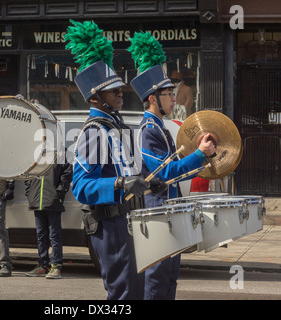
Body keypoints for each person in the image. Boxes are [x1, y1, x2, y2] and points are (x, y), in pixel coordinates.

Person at [64, 20, 166, 300]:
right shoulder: (94, 132)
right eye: (113, 91)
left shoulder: (115, 126)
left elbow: (128, 170)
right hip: (110, 225)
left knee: (136, 291)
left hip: (128, 221)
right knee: (125, 295)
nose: (121, 93)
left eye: (120, 89)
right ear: (95, 97)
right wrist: (120, 183)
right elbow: (82, 187)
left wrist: (147, 181)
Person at [128, 31, 216, 300]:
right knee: (157, 280)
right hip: (157, 211)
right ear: (153, 98)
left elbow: (178, 167)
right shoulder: (148, 128)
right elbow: (163, 174)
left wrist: (205, 156)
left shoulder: (161, 127)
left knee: (170, 278)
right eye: (168, 94)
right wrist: (199, 155)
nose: (174, 98)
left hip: (170, 209)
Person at [25, 163, 72, 279]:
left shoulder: (60, 151)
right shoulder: (36, 152)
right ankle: (42, 265)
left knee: (54, 235)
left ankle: (56, 266)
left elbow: (67, 173)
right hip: (36, 199)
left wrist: (60, 191)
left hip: (53, 200)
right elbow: (28, 174)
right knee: (41, 235)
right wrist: (29, 192)